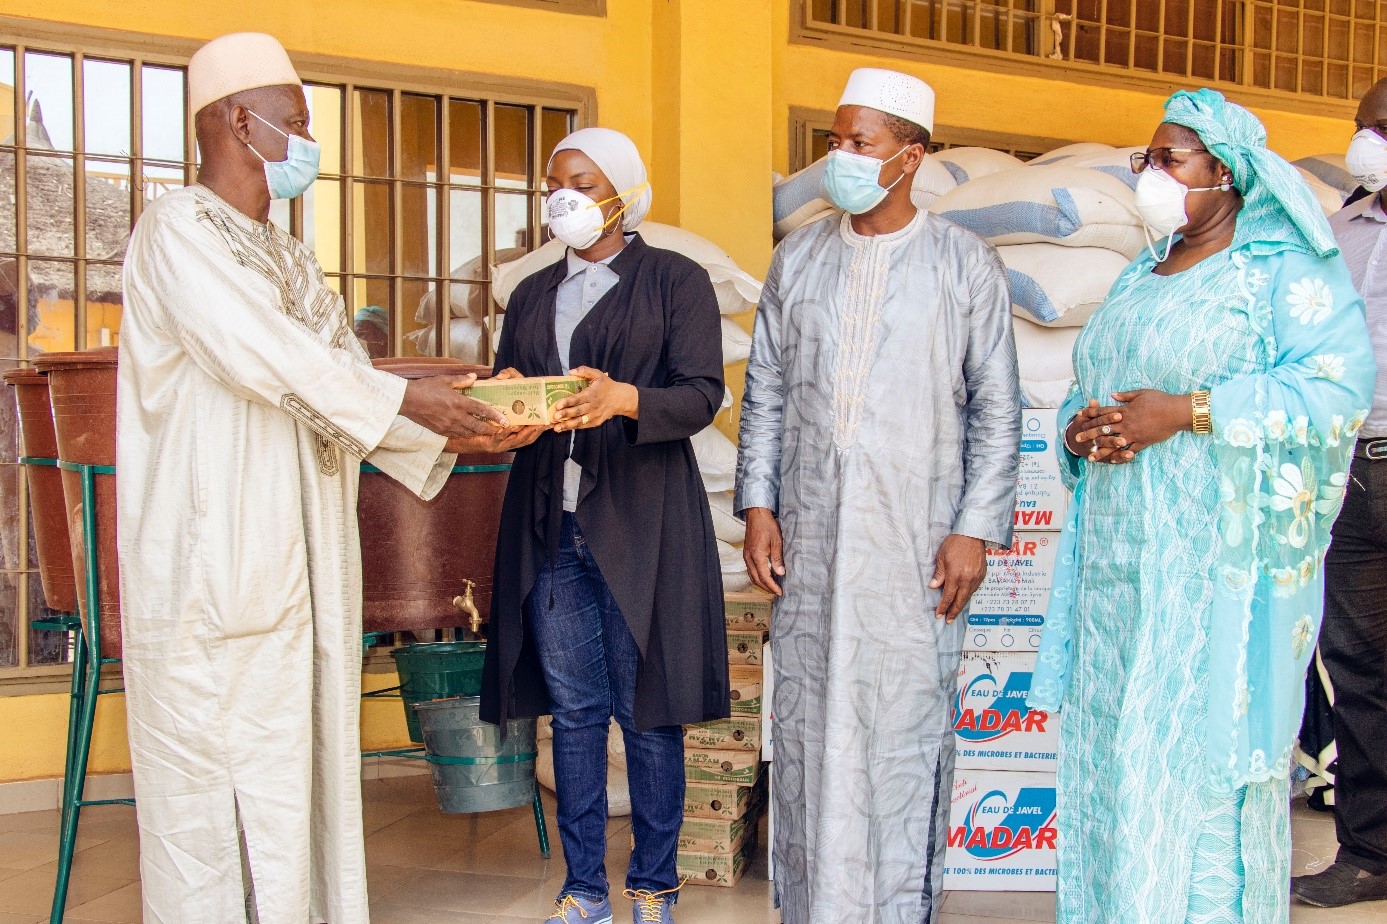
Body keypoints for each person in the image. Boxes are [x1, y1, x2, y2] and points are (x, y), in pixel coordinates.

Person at [117, 32, 537, 923]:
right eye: (298, 120)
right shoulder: (176, 231)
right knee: (210, 781)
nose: (310, 140)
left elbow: (349, 379)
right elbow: (264, 356)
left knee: (294, 769)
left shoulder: (295, 259)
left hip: (301, 555)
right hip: (210, 557)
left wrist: (466, 409)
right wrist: (409, 405)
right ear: (240, 121)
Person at [1029, 88, 1377, 923]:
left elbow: (1335, 390)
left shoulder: (1279, 273)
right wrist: (1080, 436)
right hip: (1116, 574)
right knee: (1116, 759)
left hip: (1211, 578)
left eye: (1168, 158)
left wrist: (1186, 412)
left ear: (1224, 171)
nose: (1150, 174)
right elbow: (1092, 389)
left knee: (1188, 768)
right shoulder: (1136, 277)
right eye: (1145, 159)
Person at [736, 68, 1021, 922]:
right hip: (813, 546)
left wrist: (974, 528)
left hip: (915, 543)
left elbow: (997, 408)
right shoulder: (799, 257)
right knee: (809, 729)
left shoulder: (964, 264)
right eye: (833, 141)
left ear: (909, 156)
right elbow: (766, 393)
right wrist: (758, 506)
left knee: (901, 734)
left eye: (859, 143)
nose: (840, 159)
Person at [478, 127, 727, 924]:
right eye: (555, 184)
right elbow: (510, 391)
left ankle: (653, 883)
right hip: (551, 524)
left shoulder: (673, 281)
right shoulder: (529, 294)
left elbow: (701, 394)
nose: (566, 199)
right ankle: (583, 888)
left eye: (583, 184)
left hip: (645, 523)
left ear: (621, 192)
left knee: (646, 708)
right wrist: (507, 401)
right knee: (575, 713)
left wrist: (625, 398)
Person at [1290, 77, 1387, 909]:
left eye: (1381, 128)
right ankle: (1366, 850)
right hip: (1351, 468)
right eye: (1361, 126)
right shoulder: (1335, 234)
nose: (1365, 142)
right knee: (1356, 667)